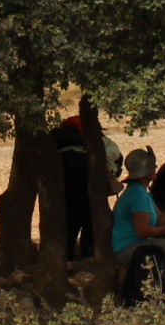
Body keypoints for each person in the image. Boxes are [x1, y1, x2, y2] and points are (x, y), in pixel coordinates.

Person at [112, 147, 165, 275]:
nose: (156, 167)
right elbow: (142, 232)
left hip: (134, 246)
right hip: (129, 248)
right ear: (145, 170)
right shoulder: (138, 195)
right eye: (152, 165)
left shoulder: (141, 192)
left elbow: (161, 219)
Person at [50, 95, 116, 261]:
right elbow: (114, 161)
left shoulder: (55, 147)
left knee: (68, 231)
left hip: (63, 197)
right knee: (90, 225)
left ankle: (67, 260)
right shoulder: (91, 145)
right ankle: (88, 257)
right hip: (86, 194)